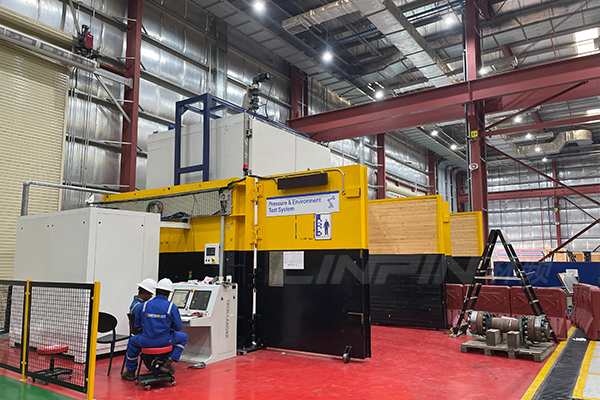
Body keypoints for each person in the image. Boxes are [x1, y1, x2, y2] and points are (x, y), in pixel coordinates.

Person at [122, 278, 189, 380]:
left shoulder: (143, 306)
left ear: (156, 291)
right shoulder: (171, 307)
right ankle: (167, 362)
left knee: (132, 341)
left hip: (145, 341)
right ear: (168, 294)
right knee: (184, 337)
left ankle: (130, 372)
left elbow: (137, 326)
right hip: (165, 341)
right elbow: (178, 327)